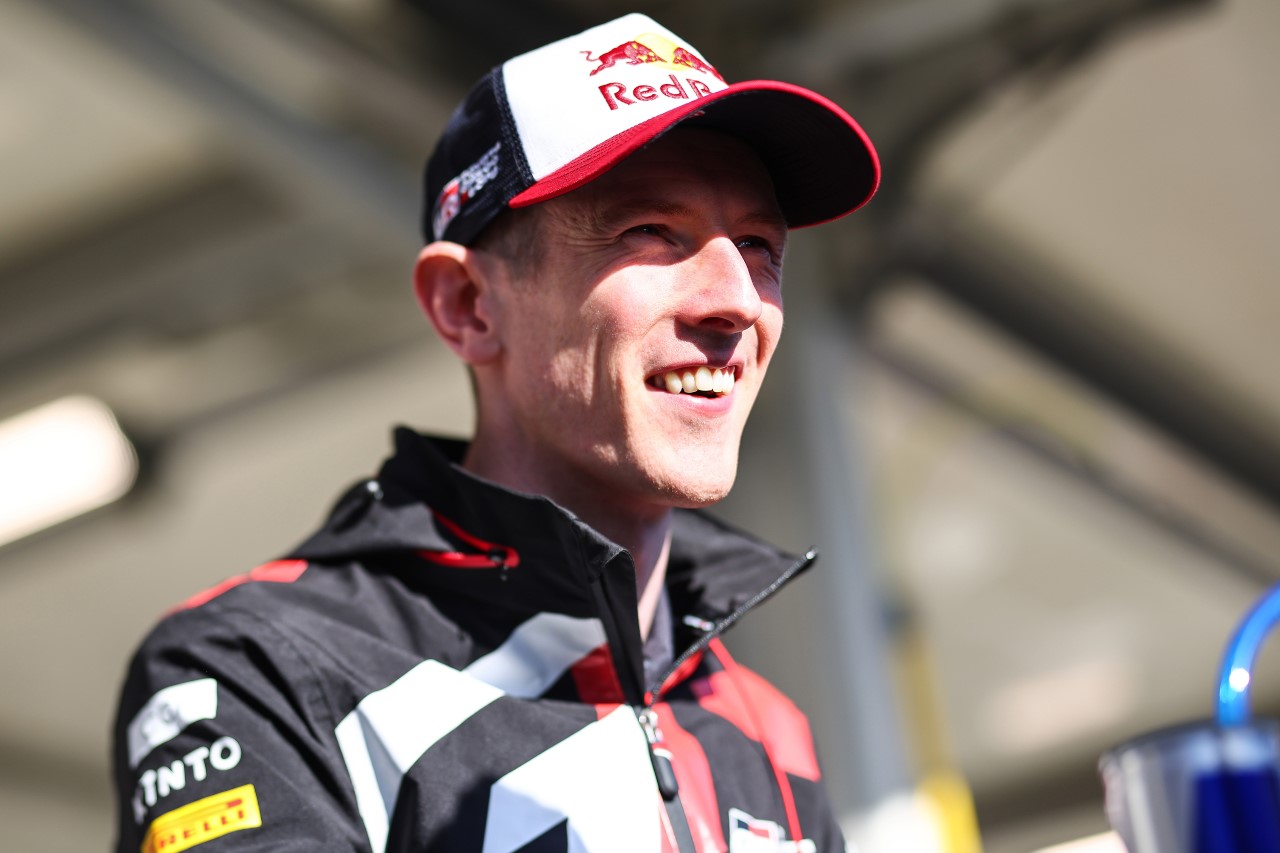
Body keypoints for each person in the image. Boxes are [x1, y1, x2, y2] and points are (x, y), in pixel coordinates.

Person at [111, 13, 878, 853]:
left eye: (761, 245)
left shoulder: (766, 728)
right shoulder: (258, 667)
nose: (736, 300)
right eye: (652, 232)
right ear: (468, 305)